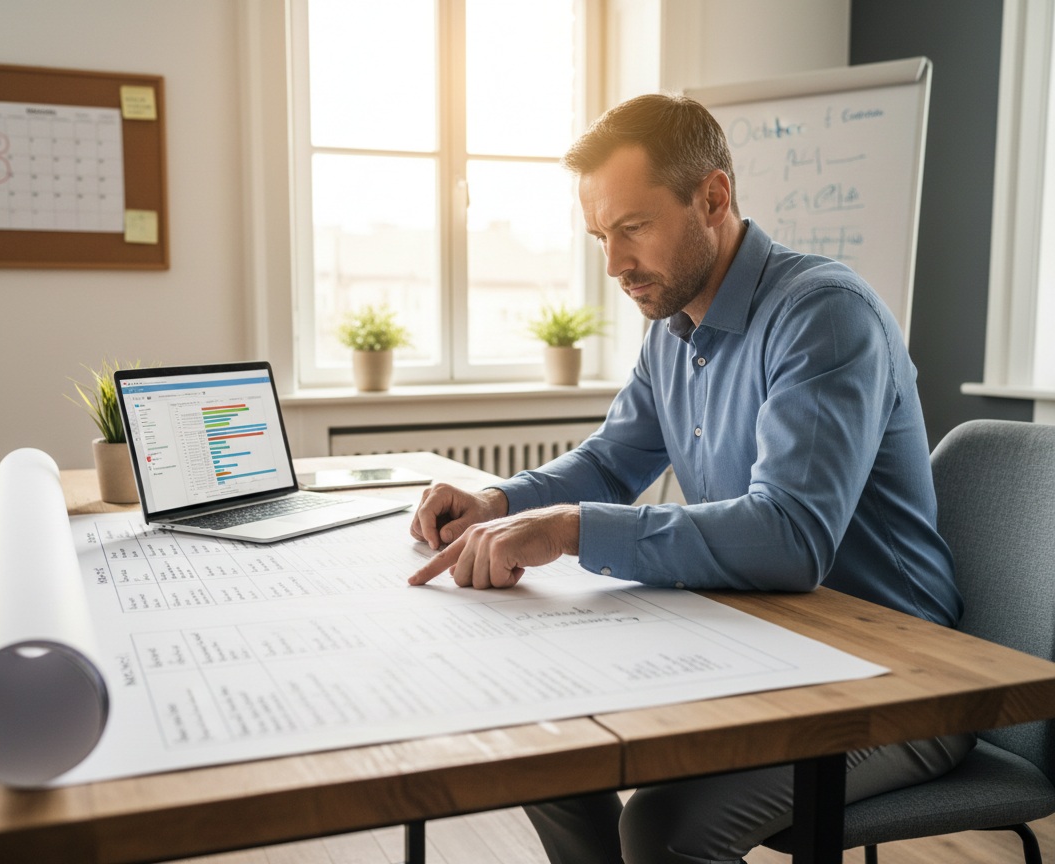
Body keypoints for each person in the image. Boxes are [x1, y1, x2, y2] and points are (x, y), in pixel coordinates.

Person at [406, 93, 973, 864]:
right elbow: (611, 461)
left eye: (632, 228)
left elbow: (790, 538)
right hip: (762, 636)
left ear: (713, 198)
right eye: (601, 235)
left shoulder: (823, 315)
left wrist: (571, 528)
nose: (613, 264)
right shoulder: (673, 327)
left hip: (900, 678)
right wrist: (499, 502)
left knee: (664, 829)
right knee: (542, 749)